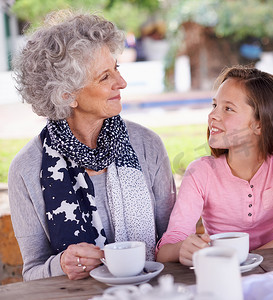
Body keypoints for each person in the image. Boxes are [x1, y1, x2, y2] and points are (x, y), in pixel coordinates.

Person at [8, 10, 176, 281]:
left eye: (116, 69)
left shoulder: (147, 146)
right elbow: (33, 271)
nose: (121, 83)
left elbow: (171, 241)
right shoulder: (26, 170)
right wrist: (61, 264)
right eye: (104, 77)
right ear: (67, 94)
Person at [156, 66, 273, 266]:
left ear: (260, 124)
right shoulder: (201, 172)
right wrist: (182, 248)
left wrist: (252, 257)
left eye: (228, 108)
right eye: (214, 105)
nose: (212, 115)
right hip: (223, 272)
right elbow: (165, 250)